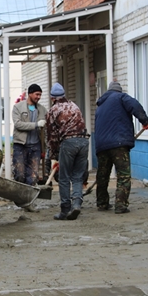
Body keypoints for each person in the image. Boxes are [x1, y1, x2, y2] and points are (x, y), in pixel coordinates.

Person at [94, 81, 148, 214]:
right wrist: (145, 121)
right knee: (123, 175)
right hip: (119, 143)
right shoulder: (120, 97)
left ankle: (102, 203)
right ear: (118, 90)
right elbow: (135, 105)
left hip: (101, 145)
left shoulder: (100, 105)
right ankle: (120, 205)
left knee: (102, 175)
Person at [45, 83, 89, 221]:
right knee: (77, 176)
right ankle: (76, 204)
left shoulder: (53, 110)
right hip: (84, 142)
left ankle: (65, 209)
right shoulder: (74, 106)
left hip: (68, 142)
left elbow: (51, 136)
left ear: (53, 98)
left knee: (64, 178)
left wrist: (54, 156)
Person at [12, 83, 47, 212]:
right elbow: (18, 124)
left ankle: (28, 202)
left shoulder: (42, 110)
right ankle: (19, 198)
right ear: (30, 94)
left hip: (35, 147)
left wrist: (45, 147)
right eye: (36, 94)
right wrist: (36, 125)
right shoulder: (18, 107)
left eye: (40, 95)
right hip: (20, 145)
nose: (38, 97)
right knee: (20, 174)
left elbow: (45, 130)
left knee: (32, 176)